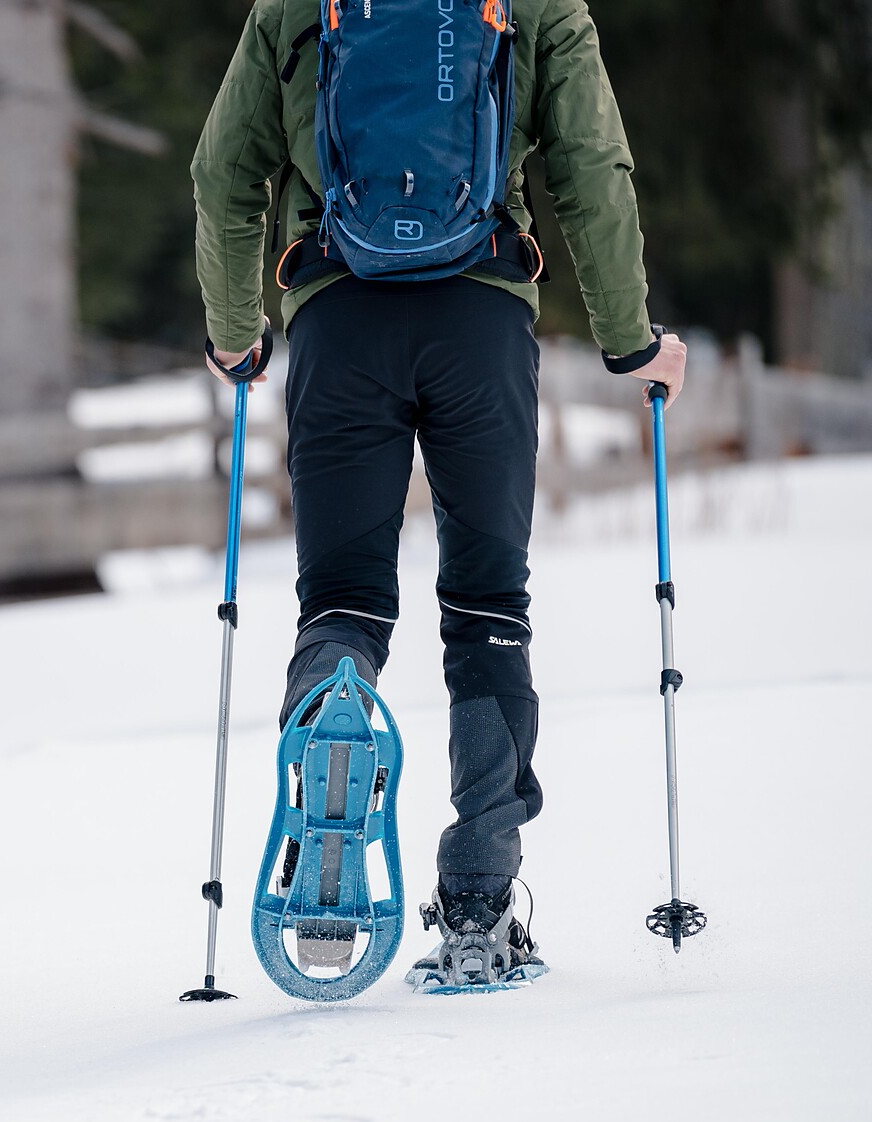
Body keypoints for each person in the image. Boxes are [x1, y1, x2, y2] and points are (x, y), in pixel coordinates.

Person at [192, 0, 688, 987]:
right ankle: (478, 907)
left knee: (340, 598)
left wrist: (234, 327)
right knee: (488, 606)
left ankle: (328, 774)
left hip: (337, 315)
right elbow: (592, 167)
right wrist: (631, 337)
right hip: (480, 319)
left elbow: (223, 171)